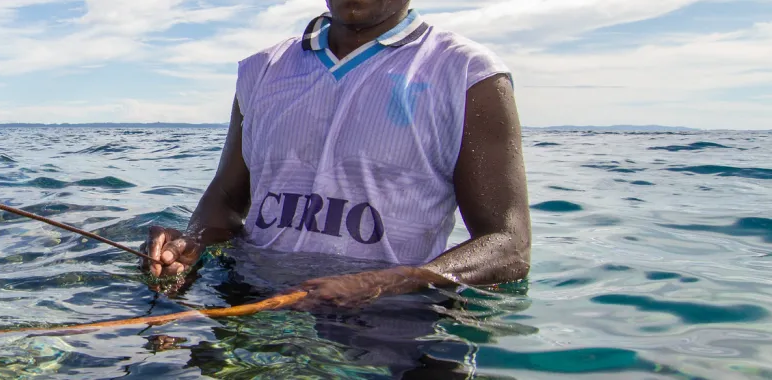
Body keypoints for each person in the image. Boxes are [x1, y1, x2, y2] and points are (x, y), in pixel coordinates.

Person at [141, 0, 531, 318]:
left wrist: (385, 283)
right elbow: (226, 199)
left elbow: (508, 245)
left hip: (391, 317)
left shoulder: (468, 72)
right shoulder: (262, 69)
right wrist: (189, 245)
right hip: (248, 300)